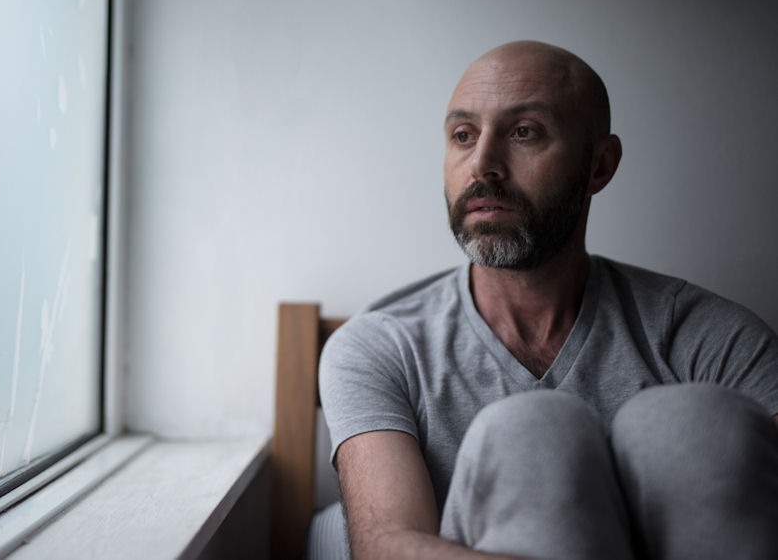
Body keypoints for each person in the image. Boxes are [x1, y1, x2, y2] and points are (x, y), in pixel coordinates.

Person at [319, 40, 778, 560]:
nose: (483, 164)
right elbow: (389, 548)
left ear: (599, 166)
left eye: (524, 132)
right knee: (532, 432)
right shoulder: (379, 347)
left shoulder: (713, 340)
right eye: (463, 136)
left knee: (690, 421)